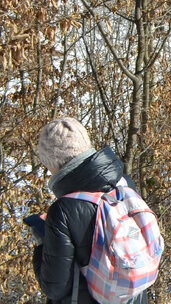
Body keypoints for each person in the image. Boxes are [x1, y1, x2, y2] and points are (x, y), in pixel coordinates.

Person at [33, 118, 157, 304]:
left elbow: (54, 287)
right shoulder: (124, 185)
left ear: (53, 162)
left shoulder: (64, 211)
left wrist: (42, 242)